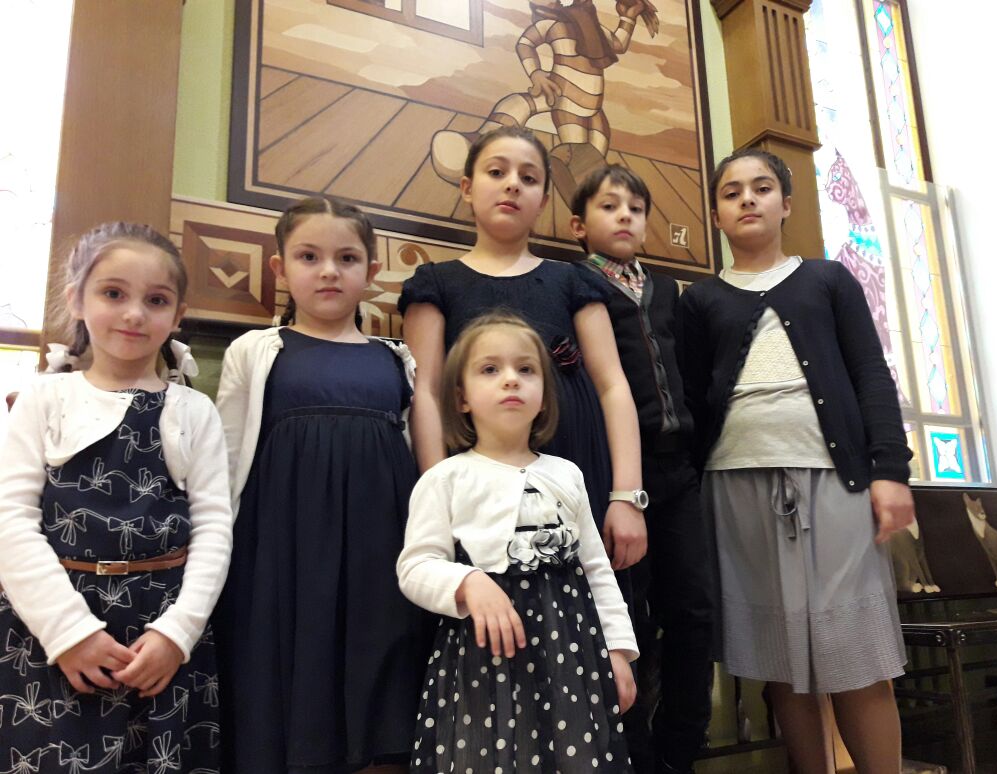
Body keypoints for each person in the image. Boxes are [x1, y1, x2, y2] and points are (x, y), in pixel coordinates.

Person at [678, 148, 914, 774]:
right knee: (778, 656)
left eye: (761, 188)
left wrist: (890, 471)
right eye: (731, 192)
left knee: (858, 653)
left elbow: (870, 374)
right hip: (733, 486)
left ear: (786, 204)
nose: (747, 199)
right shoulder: (699, 301)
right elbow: (694, 400)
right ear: (716, 215)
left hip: (836, 480)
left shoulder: (829, 280)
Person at [0, 222, 232, 771]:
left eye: (156, 300)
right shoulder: (42, 399)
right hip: (53, 631)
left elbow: (214, 527)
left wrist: (177, 633)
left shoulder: (194, 410)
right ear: (76, 300)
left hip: (165, 635)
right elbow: (10, 520)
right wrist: (68, 632)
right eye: (113, 293)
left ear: (177, 316)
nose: (134, 314)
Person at [214, 197, 427, 774]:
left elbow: (420, 456)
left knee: (380, 670)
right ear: (280, 267)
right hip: (284, 544)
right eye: (309, 257)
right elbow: (227, 455)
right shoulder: (257, 351)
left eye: (347, 258)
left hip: (380, 546)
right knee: (291, 666)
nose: (329, 271)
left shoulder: (397, 360)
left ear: (371, 272)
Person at [401, 125, 647, 579]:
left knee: (589, 604)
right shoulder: (435, 284)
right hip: (476, 482)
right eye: (497, 172)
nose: (513, 184)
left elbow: (612, 385)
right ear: (468, 188)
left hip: (579, 467)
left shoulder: (575, 281)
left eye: (529, 178)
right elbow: (426, 393)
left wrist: (627, 496)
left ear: (543, 199)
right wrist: (438, 494)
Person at [397, 311, 638, 772]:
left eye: (526, 369)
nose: (511, 379)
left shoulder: (567, 475)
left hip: (572, 659)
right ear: (461, 397)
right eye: (490, 369)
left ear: (544, 395)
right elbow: (415, 566)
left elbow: (596, 570)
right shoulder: (446, 478)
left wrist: (619, 652)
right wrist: (468, 583)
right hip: (484, 663)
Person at [571, 164, 713, 774]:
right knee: (627, 617)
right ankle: (632, 753)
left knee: (693, 611)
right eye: (609, 206)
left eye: (635, 207)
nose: (625, 215)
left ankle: (682, 748)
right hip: (616, 475)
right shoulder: (575, 285)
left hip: (679, 472)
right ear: (579, 226)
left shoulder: (668, 290)